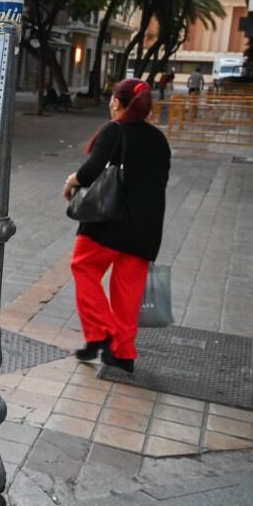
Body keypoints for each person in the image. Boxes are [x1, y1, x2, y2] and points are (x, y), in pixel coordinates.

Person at [62, 78, 171, 373]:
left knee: (83, 268)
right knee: (127, 292)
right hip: (145, 230)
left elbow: (90, 171)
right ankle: (122, 352)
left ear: (116, 103)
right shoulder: (159, 141)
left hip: (107, 223)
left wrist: (72, 180)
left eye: (112, 98)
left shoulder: (115, 131)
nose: (110, 103)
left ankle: (101, 332)